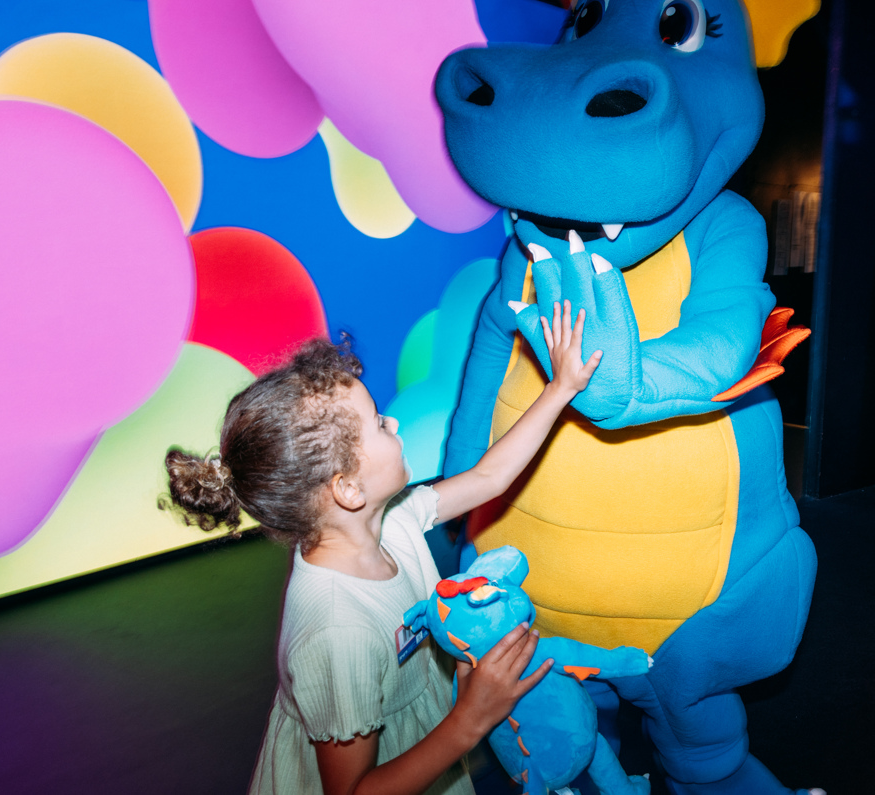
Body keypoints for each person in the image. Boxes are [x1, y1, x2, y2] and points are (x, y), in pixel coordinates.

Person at [163, 301, 601, 795]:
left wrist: (561, 387)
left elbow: (488, 477)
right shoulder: (336, 632)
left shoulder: (391, 520)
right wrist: (471, 719)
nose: (392, 422)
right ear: (348, 489)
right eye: (377, 424)